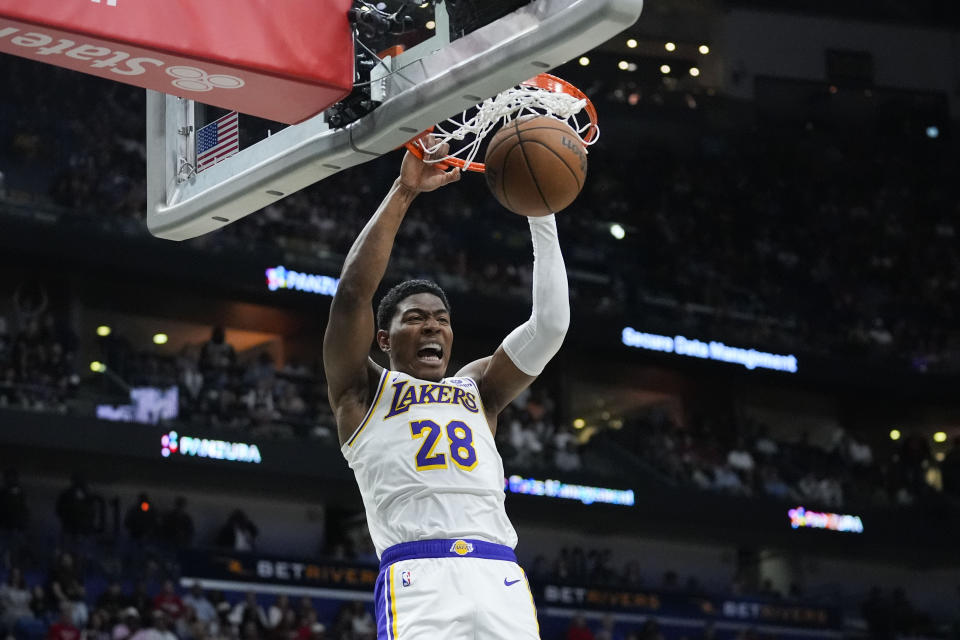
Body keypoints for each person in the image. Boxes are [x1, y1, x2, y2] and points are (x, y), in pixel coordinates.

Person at [323, 140, 569, 638]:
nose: (433, 327)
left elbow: (549, 328)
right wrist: (404, 191)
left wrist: (541, 215)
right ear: (385, 338)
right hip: (420, 574)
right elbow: (352, 295)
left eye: (441, 319)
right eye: (416, 319)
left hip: (498, 571)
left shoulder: (479, 387)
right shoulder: (363, 392)